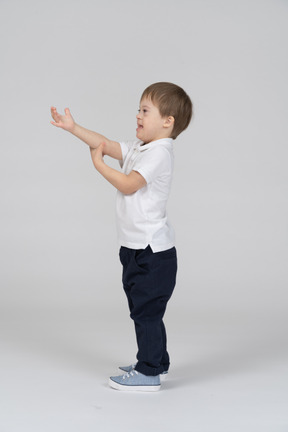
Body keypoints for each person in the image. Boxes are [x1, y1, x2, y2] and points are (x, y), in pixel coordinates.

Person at [50, 82, 193, 392]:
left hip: (153, 252)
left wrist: (98, 164)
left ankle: (148, 371)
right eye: (138, 110)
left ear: (167, 121)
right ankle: (157, 361)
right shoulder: (143, 148)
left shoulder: (160, 153)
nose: (138, 115)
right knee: (144, 311)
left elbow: (129, 185)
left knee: (146, 312)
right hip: (134, 248)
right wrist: (73, 128)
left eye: (145, 110)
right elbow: (106, 143)